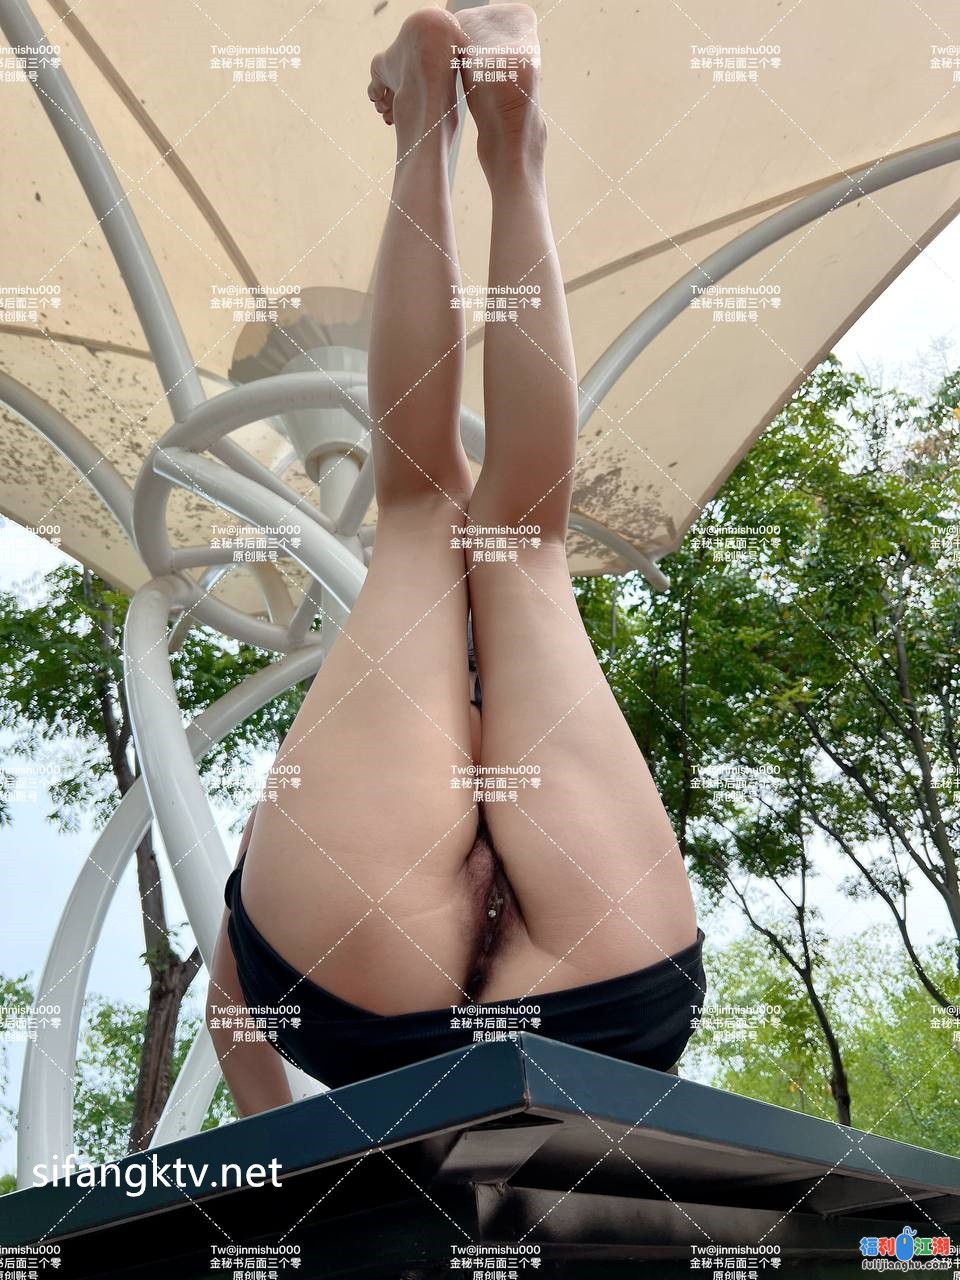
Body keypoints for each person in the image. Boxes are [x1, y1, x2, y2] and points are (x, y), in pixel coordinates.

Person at [205, 3, 706, 1117]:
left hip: (602, 1001)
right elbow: (232, 1010)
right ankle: (426, 124)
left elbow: (231, 1010)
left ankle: (512, 153)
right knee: (429, 506)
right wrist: (294, 1162)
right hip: (354, 980)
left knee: (520, 534)